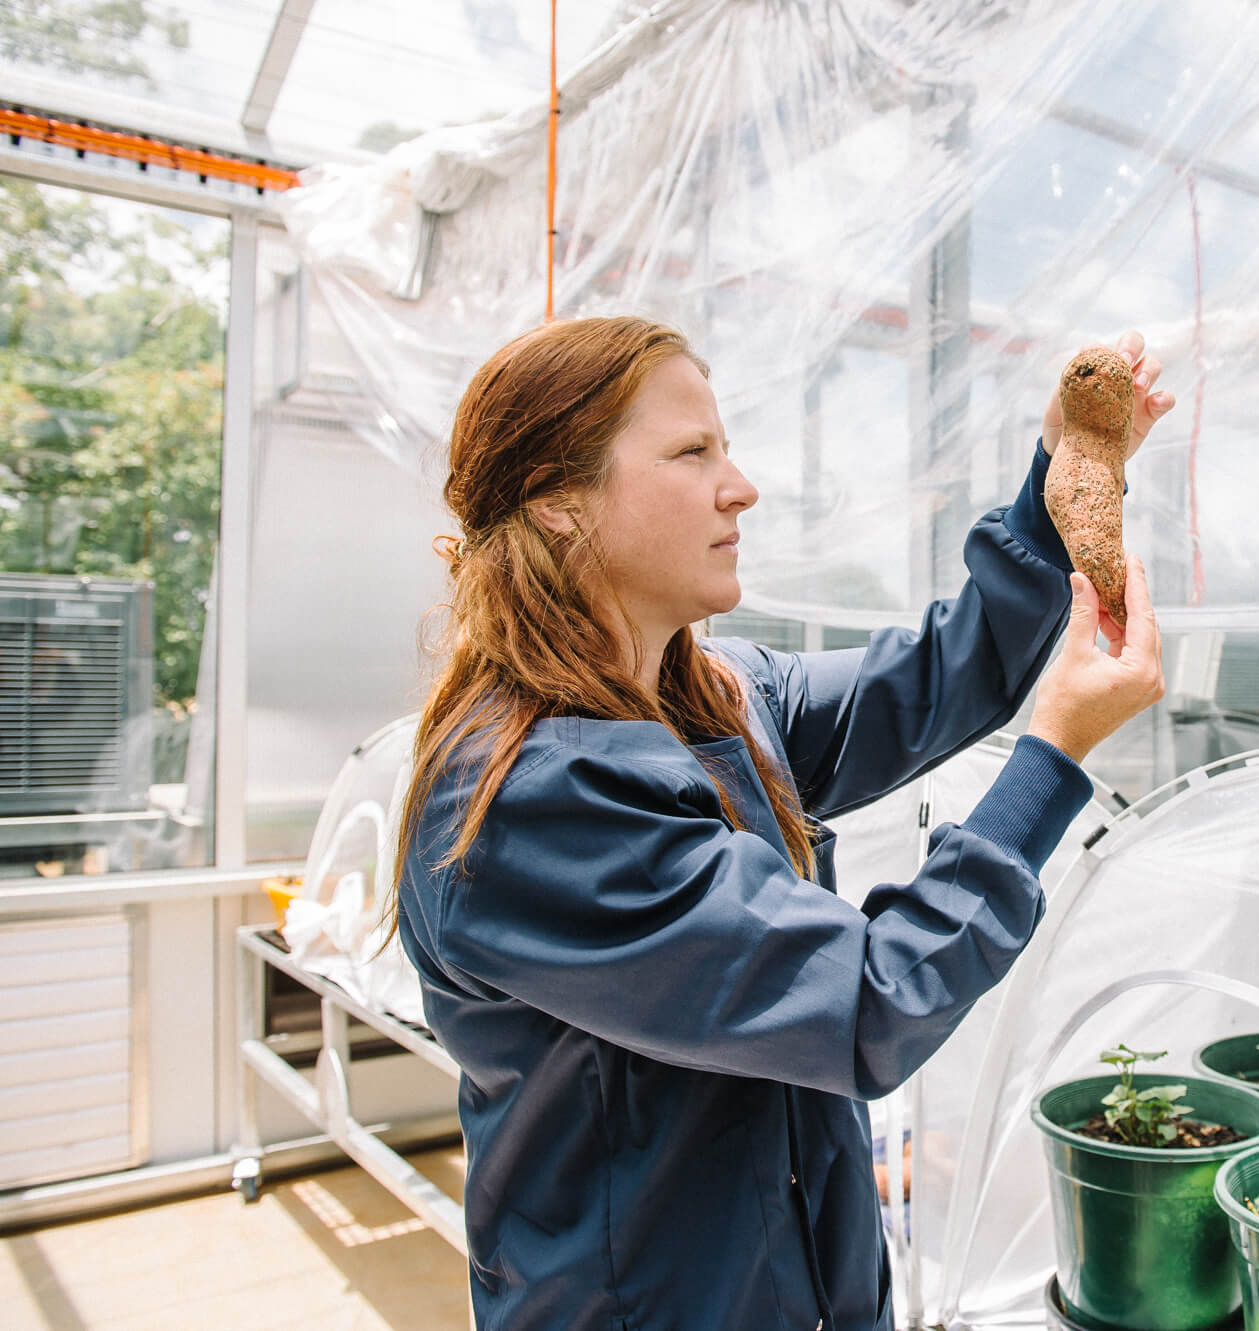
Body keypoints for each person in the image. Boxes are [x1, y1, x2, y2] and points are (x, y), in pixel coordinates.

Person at [393, 315, 1175, 1330]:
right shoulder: (527, 794)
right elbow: (866, 1002)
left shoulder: (718, 698)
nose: (740, 485)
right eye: (691, 452)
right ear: (555, 501)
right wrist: (1053, 756)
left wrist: (1061, 466)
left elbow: (942, 677)